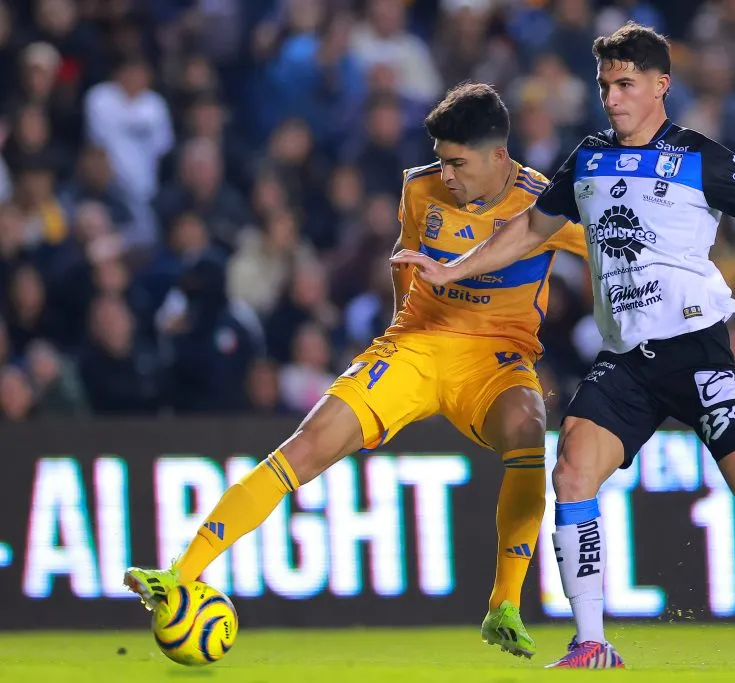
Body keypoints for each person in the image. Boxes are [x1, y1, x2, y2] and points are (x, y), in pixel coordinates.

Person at [392, 23, 735, 669]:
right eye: (605, 84)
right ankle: (592, 641)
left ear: (661, 85)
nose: (612, 97)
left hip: (694, 349)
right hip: (625, 360)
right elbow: (528, 229)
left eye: (626, 83)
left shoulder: (699, 158)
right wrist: (451, 268)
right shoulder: (588, 158)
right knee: (572, 467)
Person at [124, 83, 589, 659]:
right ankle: (178, 574)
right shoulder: (419, 187)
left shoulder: (546, 204)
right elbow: (405, 250)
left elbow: (613, 252)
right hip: (416, 348)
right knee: (308, 444)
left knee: (528, 431)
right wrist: (399, 327)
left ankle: (505, 606)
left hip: (494, 361)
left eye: (457, 163)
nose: (445, 174)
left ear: (499, 156)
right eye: (441, 160)